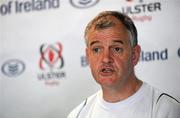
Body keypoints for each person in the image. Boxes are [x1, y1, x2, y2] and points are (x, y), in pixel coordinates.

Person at [67, 11, 180, 118]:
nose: (106, 59)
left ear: (134, 55)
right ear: (88, 56)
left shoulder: (164, 110)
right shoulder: (78, 114)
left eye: (116, 49)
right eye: (97, 50)